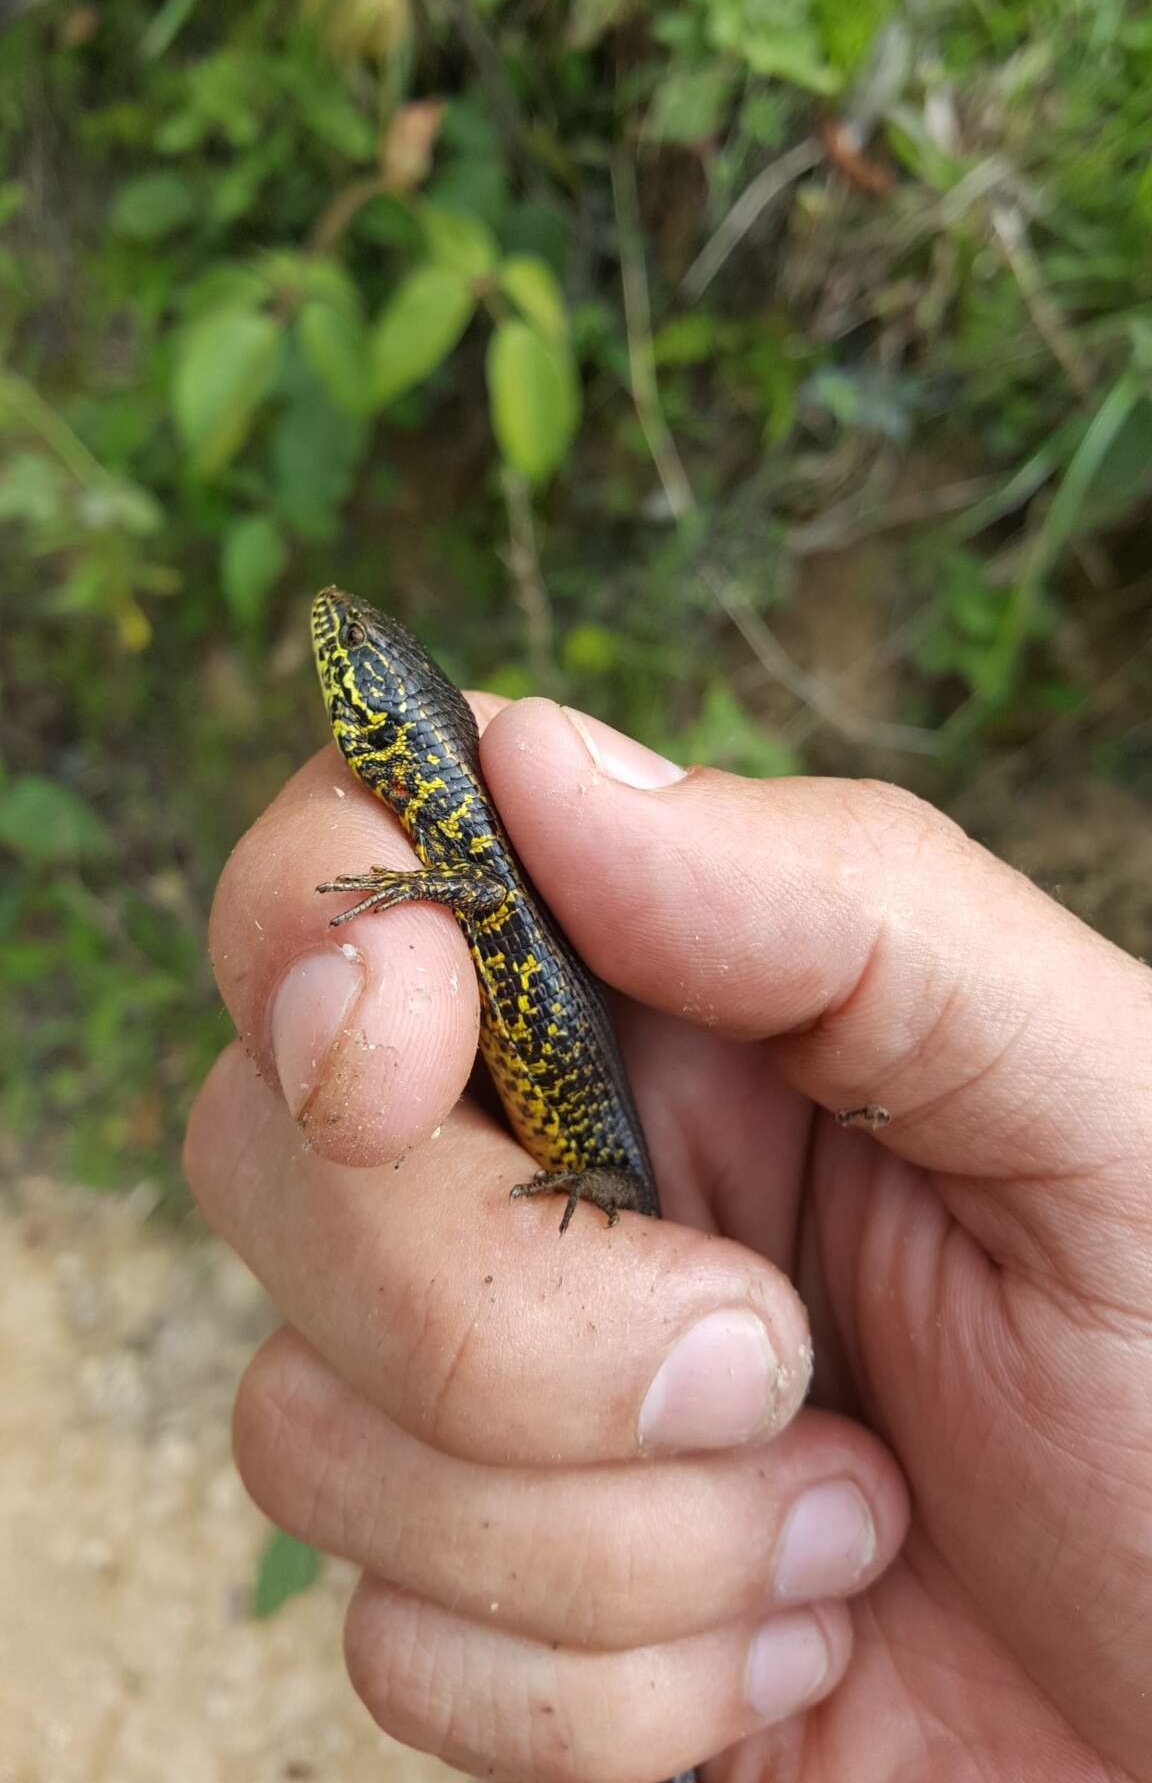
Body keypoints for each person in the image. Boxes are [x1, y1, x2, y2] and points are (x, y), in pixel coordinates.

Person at [186, 691, 1152, 1782]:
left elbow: (478, 887)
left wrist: (407, 887)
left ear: (399, 738)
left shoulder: (464, 836)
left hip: (616, 1163)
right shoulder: (454, 821)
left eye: (357, 675)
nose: (336, 668)